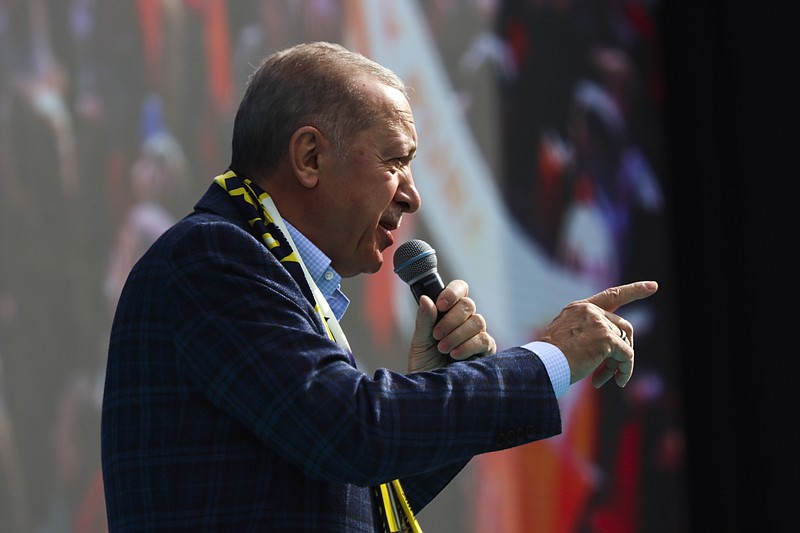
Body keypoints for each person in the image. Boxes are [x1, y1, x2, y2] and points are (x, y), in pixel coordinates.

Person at [101, 41, 658, 532]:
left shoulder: (259, 266)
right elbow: (351, 433)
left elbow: (351, 504)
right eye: (395, 160)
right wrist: (549, 358)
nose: (413, 195)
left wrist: (442, 386)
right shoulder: (212, 256)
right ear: (310, 157)